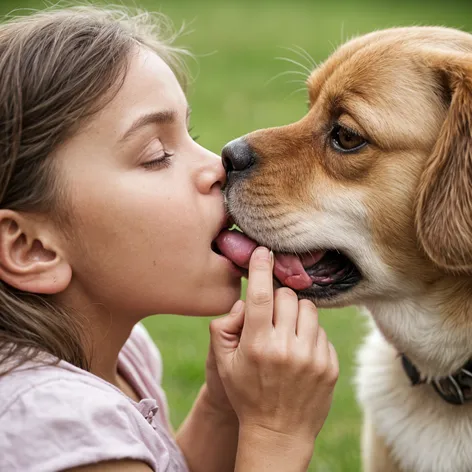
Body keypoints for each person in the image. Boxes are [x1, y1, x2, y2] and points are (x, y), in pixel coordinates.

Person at [0, 5, 339, 472]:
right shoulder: (57, 426)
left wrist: (223, 408)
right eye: (157, 155)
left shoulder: (122, 353)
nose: (217, 166)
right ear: (32, 248)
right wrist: (275, 434)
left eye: (190, 134)